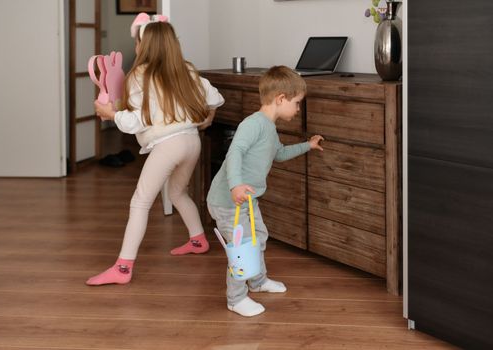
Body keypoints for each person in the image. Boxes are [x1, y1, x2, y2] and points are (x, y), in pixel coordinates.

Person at [86, 13, 224, 286]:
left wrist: (111, 115)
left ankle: (123, 268)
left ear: (144, 46)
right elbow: (215, 98)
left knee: (140, 202)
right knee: (177, 192)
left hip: (167, 146)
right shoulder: (186, 69)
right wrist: (208, 118)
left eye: (138, 42)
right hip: (191, 141)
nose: (136, 47)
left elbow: (137, 121)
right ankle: (197, 239)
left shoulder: (139, 75)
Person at [207, 65, 324, 316]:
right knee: (244, 247)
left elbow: (279, 154)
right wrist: (235, 184)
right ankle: (236, 298)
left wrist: (308, 145)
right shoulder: (253, 124)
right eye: (297, 102)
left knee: (259, 237)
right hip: (228, 201)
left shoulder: (269, 128)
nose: (298, 108)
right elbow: (234, 151)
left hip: (248, 201)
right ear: (280, 99)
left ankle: (258, 282)